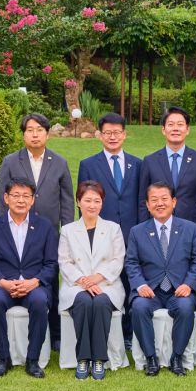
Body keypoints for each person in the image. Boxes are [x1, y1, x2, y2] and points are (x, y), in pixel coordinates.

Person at [0, 113, 74, 350]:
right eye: (30, 130)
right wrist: (4, 232)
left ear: (47, 134)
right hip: (18, 232)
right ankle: (17, 332)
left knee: (51, 282)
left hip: (50, 234)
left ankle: (56, 334)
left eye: (39, 130)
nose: (35, 134)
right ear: (23, 135)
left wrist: (67, 233)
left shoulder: (59, 162)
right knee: (17, 275)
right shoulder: (11, 161)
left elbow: (67, 201)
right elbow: (1, 198)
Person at [0, 178, 58, 378]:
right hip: (3, 285)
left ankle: (33, 361)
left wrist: (34, 282)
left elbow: (52, 264)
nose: (21, 200)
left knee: (40, 302)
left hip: (34, 285)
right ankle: (3, 359)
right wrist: (3, 282)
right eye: (16, 195)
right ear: (6, 198)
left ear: (32, 200)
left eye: (25, 196)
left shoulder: (45, 226)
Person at [77, 112, 141, 349]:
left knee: (130, 280)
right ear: (100, 135)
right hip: (101, 235)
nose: (112, 137)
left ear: (124, 134)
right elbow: (83, 202)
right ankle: (105, 331)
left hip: (133, 232)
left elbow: (141, 201)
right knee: (105, 279)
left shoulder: (138, 164)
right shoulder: (88, 164)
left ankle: (129, 332)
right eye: (107, 133)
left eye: (117, 132)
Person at [126, 182, 196, 377]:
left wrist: (188, 284)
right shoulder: (137, 231)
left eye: (164, 199)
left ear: (174, 201)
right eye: (154, 200)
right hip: (150, 291)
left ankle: (177, 357)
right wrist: (140, 285)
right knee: (139, 307)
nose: (159, 203)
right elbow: (131, 263)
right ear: (147, 204)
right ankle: (151, 358)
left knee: (186, 307)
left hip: (179, 290)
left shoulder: (190, 228)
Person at [58, 181, 126, 380]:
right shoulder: (68, 230)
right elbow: (64, 261)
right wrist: (83, 281)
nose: (92, 205)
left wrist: (97, 278)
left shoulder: (113, 228)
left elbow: (118, 259)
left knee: (101, 302)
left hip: (107, 284)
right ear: (78, 202)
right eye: (87, 200)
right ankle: (83, 359)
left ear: (102, 203)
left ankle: (99, 360)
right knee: (84, 301)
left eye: (97, 201)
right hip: (77, 285)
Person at [139, 107, 196, 236]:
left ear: (187, 129)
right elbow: (142, 201)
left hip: (191, 228)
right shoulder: (150, 161)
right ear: (163, 130)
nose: (175, 128)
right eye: (171, 124)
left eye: (180, 124)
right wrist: (143, 232)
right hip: (157, 227)